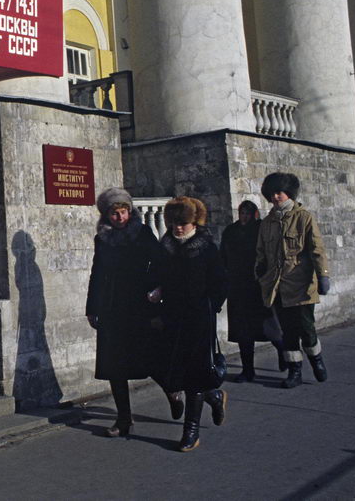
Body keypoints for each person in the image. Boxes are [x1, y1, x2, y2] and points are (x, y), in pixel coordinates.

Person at [86, 187, 183, 438]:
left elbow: (161, 262)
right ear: (107, 216)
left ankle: (172, 391)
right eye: (114, 214)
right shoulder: (102, 239)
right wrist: (92, 308)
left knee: (148, 358)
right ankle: (124, 419)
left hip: (139, 306)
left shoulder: (142, 233)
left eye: (123, 212)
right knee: (114, 366)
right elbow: (96, 273)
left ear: (130, 211)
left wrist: (157, 288)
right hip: (111, 308)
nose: (119, 218)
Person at [155, 196, 228, 453]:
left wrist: (210, 307)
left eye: (183, 223)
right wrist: (157, 289)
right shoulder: (165, 246)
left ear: (194, 222)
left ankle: (191, 431)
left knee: (194, 375)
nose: (177, 228)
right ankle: (215, 396)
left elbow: (220, 282)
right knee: (170, 369)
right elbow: (156, 275)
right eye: (174, 222)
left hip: (199, 318)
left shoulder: (206, 248)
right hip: (172, 317)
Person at [255, 172, 331, 389]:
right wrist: (259, 272)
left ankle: (316, 360)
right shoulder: (267, 222)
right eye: (272, 194)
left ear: (289, 193)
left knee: (306, 329)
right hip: (277, 286)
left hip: (301, 284)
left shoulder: (303, 217)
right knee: (287, 332)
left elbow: (317, 248)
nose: (276, 197)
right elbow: (261, 252)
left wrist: (323, 275)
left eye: (279, 192)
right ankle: (294, 371)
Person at [221, 200, 286, 382]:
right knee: (243, 333)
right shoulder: (231, 232)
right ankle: (247, 370)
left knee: (269, 327)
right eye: (242, 213)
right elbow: (223, 256)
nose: (245, 217)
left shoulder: (260, 231)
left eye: (248, 213)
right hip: (237, 288)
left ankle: (283, 352)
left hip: (257, 287)